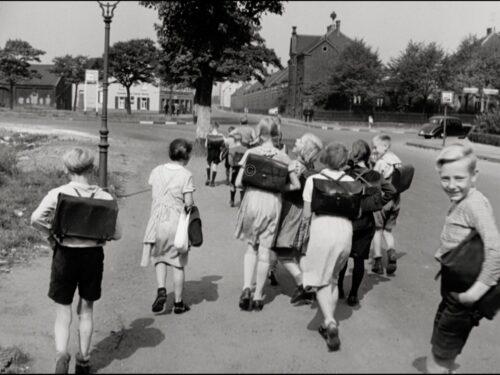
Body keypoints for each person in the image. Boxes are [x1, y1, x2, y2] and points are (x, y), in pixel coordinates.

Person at [30, 147, 122, 374]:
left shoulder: (58, 193)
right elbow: (117, 234)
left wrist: (50, 236)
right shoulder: (105, 196)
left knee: (63, 310)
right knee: (87, 309)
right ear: (92, 168)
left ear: (66, 169)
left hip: (65, 255)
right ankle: (83, 359)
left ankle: (61, 355)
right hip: (92, 257)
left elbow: (35, 218)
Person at [426, 144, 500, 373]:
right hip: (454, 292)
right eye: (445, 178)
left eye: (459, 178)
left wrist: (475, 292)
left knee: (437, 360)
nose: (451, 185)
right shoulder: (463, 201)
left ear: (474, 176)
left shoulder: (474, 204)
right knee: (440, 350)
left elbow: (496, 250)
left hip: (463, 298)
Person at [234, 117, 301, 311]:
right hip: (272, 203)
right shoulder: (283, 157)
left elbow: (239, 182)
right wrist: (279, 187)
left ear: (259, 134)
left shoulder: (251, 154)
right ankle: (257, 296)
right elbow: (295, 185)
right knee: (264, 251)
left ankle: (247, 287)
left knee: (250, 247)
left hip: (252, 201)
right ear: (276, 134)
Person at [299, 142, 355, 351]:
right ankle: (326, 323)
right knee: (332, 277)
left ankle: (330, 321)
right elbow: (355, 212)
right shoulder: (352, 182)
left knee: (320, 279)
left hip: (322, 229)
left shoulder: (313, 180)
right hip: (344, 231)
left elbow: (306, 214)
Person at [337, 140, 396, 307]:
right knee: (359, 260)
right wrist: (377, 203)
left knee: (343, 258)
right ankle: (354, 294)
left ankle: (340, 289)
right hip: (366, 221)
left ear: (353, 154)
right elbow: (391, 190)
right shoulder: (376, 176)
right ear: (368, 155)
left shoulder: (346, 174)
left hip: (347, 221)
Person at [141, 138, 195, 316]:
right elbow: (188, 202)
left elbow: (155, 191)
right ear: (186, 157)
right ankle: (178, 303)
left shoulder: (156, 170)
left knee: (160, 258)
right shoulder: (186, 175)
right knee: (178, 264)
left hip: (157, 223)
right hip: (175, 224)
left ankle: (161, 290)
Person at [272, 133, 323, 304]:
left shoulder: (294, 165)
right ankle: (309, 283)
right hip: (305, 211)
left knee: (282, 250)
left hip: (292, 209)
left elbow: (288, 186)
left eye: (299, 141)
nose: (295, 141)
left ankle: (303, 282)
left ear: (305, 148)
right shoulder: (310, 166)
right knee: (299, 251)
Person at [371, 134, 403, 275]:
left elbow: (373, 179)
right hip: (396, 200)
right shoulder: (398, 161)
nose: (374, 149)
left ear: (385, 146)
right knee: (388, 231)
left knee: (377, 229)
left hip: (383, 200)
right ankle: (391, 253)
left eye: (375, 147)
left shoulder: (381, 162)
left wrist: (373, 164)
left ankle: (377, 261)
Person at [227, 133, 247, 207]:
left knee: (232, 184)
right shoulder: (246, 149)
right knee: (243, 185)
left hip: (235, 168)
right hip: (243, 169)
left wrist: (232, 166)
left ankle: (232, 200)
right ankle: (242, 201)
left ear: (234, 140)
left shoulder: (232, 150)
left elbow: (230, 161)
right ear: (241, 140)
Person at [205, 122, 225, 187]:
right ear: (217, 127)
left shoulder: (208, 135)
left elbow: (205, 145)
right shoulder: (221, 135)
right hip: (217, 153)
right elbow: (225, 143)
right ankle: (213, 182)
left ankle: (208, 178)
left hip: (210, 153)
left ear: (212, 127)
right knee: (214, 167)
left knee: (208, 165)